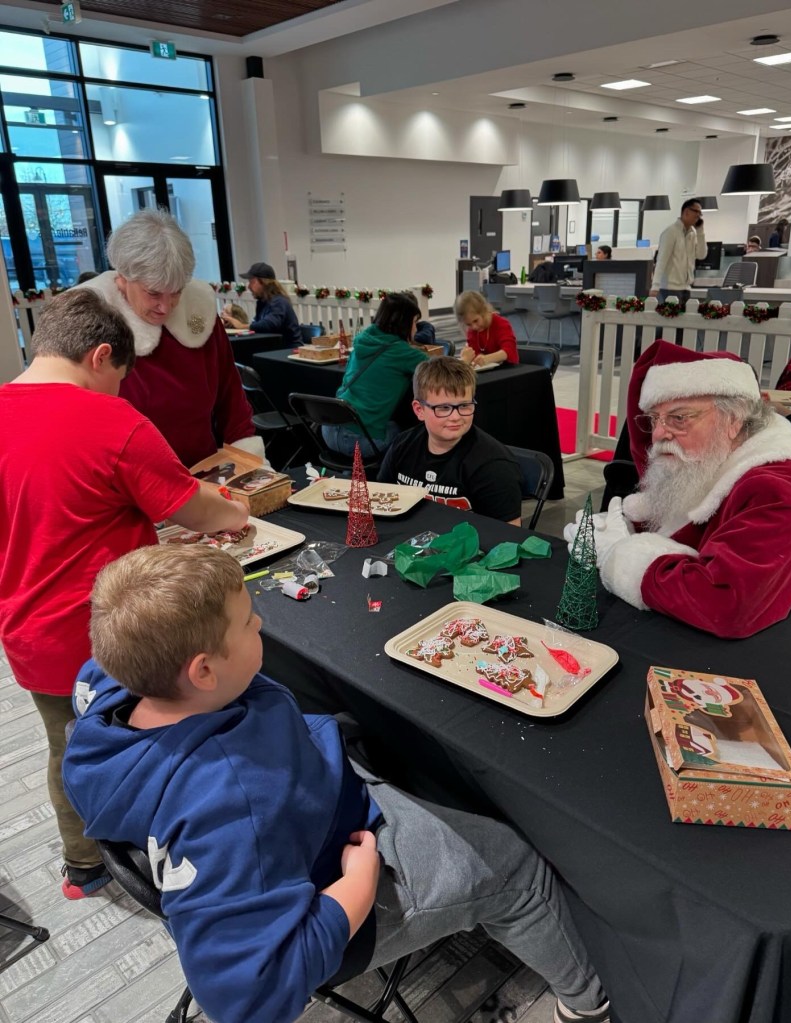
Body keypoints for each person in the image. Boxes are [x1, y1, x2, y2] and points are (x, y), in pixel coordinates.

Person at [63, 544, 611, 1023]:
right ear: (203, 672)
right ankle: (587, 1004)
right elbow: (245, 999)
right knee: (515, 865)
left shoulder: (110, 685)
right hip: (344, 870)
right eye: (249, 622)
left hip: (314, 800)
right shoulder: (230, 806)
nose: (261, 623)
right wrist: (357, 887)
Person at [0, 289, 248, 901]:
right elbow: (195, 507)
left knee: (68, 747)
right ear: (100, 356)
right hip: (114, 631)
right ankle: (166, 860)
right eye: (119, 378)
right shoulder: (111, 421)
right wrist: (235, 509)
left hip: (29, 634)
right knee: (152, 741)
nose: (119, 391)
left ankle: (83, 865)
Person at [564, 340, 791, 638]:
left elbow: (726, 601)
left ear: (734, 420)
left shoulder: (776, 488)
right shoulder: (716, 454)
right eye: (654, 419)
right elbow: (695, 521)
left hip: (774, 647)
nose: (659, 434)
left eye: (679, 418)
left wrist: (619, 556)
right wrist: (626, 526)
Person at [77, 209, 260, 468]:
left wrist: (249, 460)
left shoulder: (197, 316)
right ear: (123, 278)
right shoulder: (92, 324)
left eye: (176, 292)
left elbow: (230, 394)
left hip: (202, 471)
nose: (166, 307)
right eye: (153, 293)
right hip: (129, 479)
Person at [378, 357, 523, 524]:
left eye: (464, 406)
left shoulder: (493, 466)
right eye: (443, 408)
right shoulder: (402, 445)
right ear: (419, 410)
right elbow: (382, 501)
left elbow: (509, 534)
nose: (455, 417)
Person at [323, 291, 428, 458]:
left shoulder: (362, 339)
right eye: (415, 322)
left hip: (329, 429)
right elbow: (441, 370)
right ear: (404, 323)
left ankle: (352, 470)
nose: (416, 328)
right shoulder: (401, 352)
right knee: (412, 433)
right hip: (360, 441)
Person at [222, 261, 302, 347]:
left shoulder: (279, 301)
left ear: (264, 282)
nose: (249, 286)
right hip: (273, 348)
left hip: (289, 349)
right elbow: (258, 324)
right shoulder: (262, 302)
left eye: (252, 282)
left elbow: (270, 324)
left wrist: (242, 326)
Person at [649, 199, 707, 304]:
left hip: (686, 288)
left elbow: (701, 255)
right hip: (669, 288)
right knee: (670, 315)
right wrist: (655, 286)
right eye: (696, 212)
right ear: (686, 212)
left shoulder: (693, 233)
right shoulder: (671, 232)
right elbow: (661, 260)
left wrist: (700, 232)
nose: (699, 216)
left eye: (700, 213)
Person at [455, 290, 519, 367]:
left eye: (476, 321)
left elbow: (509, 351)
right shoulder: (472, 331)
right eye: (468, 324)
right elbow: (475, 353)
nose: (474, 326)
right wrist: (469, 356)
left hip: (508, 368)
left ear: (484, 311)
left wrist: (487, 358)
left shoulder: (501, 324)